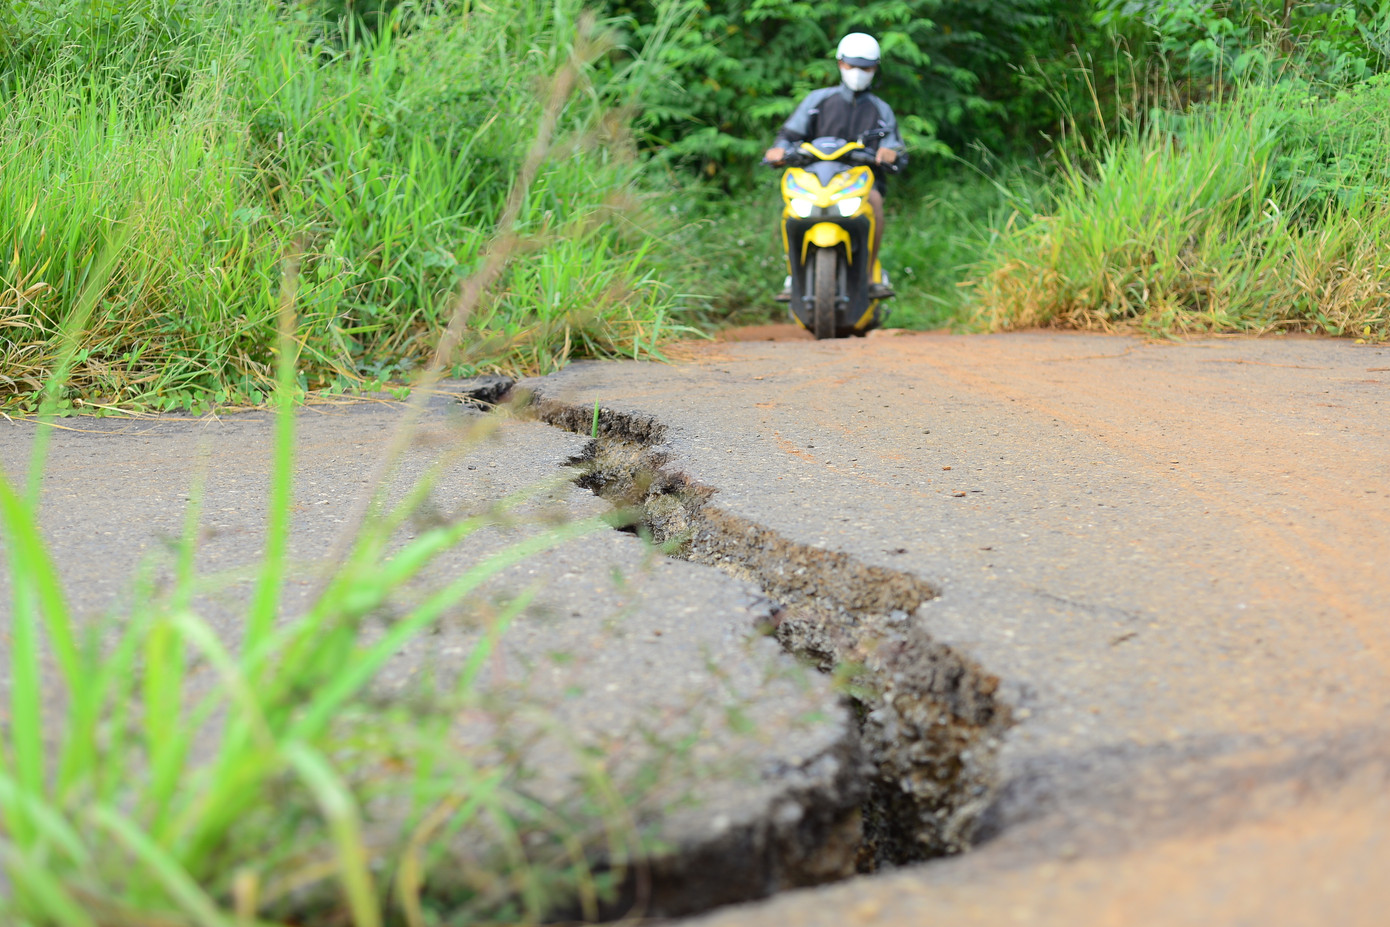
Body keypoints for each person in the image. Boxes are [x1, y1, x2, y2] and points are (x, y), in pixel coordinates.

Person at [765, 32, 907, 299]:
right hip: (815, 176)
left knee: (874, 201)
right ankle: (792, 274)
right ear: (840, 64)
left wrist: (891, 153)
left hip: (858, 180)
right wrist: (779, 150)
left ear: (875, 68)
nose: (857, 72)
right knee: (790, 208)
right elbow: (788, 135)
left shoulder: (880, 109)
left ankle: (869, 274)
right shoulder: (818, 101)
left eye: (864, 67)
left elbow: (894, 144)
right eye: (851, 65)